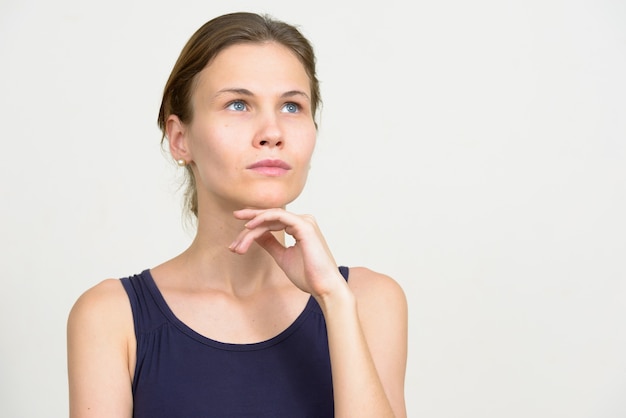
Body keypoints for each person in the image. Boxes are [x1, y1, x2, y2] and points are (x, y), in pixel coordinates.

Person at [67, 11, 408, 418]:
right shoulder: (110, 316)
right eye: (238, 104)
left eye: (292, 106)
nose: (272, 131)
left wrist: (333, 299)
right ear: (180, 139)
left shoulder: (368, 301)